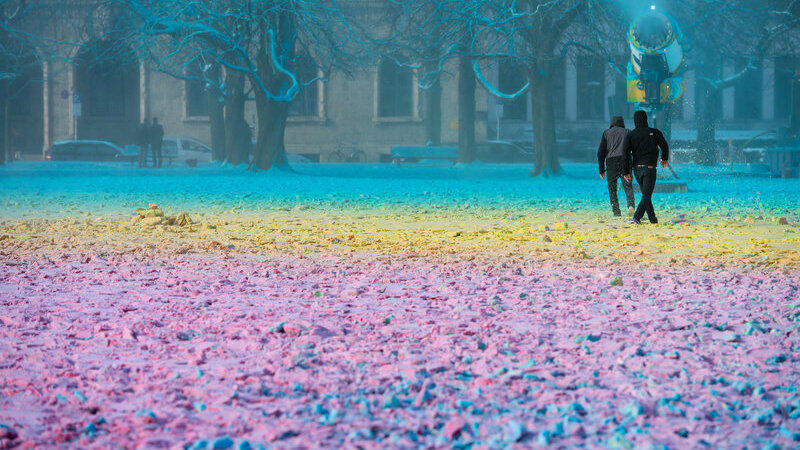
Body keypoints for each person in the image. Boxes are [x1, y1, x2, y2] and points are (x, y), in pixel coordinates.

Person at [622, 110, 669, 224]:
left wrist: (625, 172)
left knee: (646, 195)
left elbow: (625, 154)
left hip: (637, 169)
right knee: (647, 195)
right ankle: (637, 217)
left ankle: (653, 219)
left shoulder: (631, 135)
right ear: (646, 119)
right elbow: (664, 146)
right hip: (650, 168)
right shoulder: (655, 132)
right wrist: (664, 158)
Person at [598, 116, 635, 217]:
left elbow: (601, 152)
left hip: (611, 162)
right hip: (625, 161)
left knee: (612, 188)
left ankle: (616, 211)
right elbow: (633, 149)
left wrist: (601, 169)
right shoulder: (628, 132)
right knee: (628, 186)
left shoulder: (606, 133)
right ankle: (631, 205)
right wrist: (633, 163)